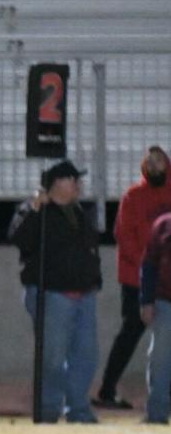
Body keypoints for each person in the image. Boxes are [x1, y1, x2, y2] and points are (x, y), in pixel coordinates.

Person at [7, 161, 101, 424]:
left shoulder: (79, 212)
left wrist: (95, 279)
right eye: (72, 179)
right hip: (52, 295)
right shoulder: (35, 210)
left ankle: (78, 409)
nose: (78, 184)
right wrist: (35, 209)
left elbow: (89, 250)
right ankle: (48, 410)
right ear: (57, 183)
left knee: (86, 355)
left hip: (84, 293)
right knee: (52, 357)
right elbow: (19, 239)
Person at [95, 146, 171, 409]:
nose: (156, 167)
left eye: (160, 162)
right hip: (136, 280)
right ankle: (107, 390)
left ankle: (162, 395)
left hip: (168, 282)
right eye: (151, 162)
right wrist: (149, 267)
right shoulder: (133, 196)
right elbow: (124, 238)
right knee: (130, 333)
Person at [139, 212, 171, 424]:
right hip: (165, 301)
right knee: (160, 359)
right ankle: (157, 413)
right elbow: (149, 265)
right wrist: (146, 301)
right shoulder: (163, 224)